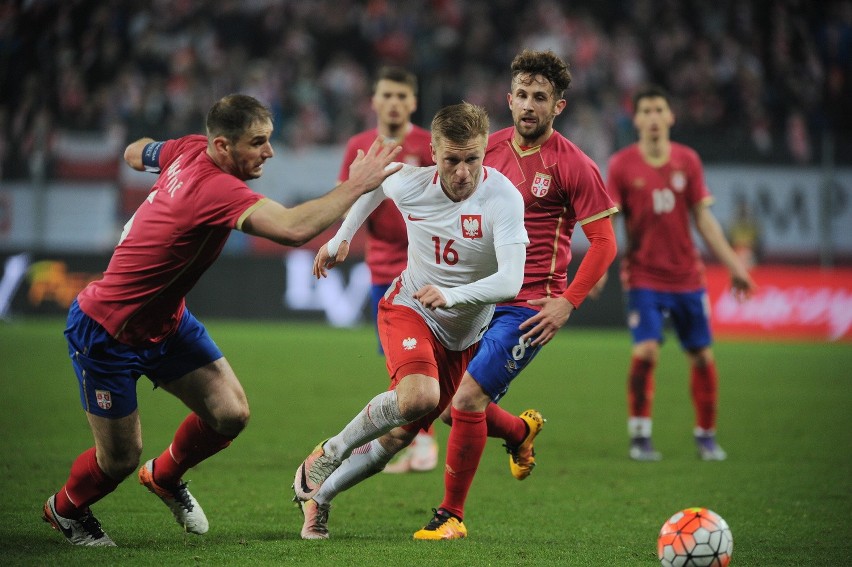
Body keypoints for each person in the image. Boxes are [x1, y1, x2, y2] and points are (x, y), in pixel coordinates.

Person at [41, 93, 403, 547]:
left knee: (230, 414)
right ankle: (66, 508)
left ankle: (166, 475)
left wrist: (144, 153)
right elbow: (292, 229)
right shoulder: (215, 187)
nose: (269, 152)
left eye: (269, 140)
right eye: (258, 142)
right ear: (222, 146)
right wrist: (357, 185)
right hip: (108, 330)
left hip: (167, 322)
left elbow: (138, 150)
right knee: (118, 459)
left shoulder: (188, 148)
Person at [292, 102, 529, 540]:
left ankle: (319, 498)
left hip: (464, 334)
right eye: (451, 159)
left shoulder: (504, 199)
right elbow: (375, 187)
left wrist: (452, 295)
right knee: (420, 396)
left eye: (472, 159)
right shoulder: (413, 183)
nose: (462, 172)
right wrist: (342, 237)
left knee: (400, 437)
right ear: (434, 152)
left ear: (484, 154)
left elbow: (511, 281)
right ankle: (330, 451)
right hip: (410, 308)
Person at [412, 48, 619, 540]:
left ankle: (451, 517)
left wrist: (567, 301)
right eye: (522, 95)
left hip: (527, 306)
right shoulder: (487, 150)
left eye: (540, 97)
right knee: (440, 406)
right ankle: (519, 432)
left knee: (465, 400)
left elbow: (605, 244)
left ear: (558, 106)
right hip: (476, 298)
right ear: (508, 99)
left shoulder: (575, 165)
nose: (529, 105)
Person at [602, 84, 756, 462]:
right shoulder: (621, 165)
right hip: (643, 277)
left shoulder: (688, 160)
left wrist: (735, 266)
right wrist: (600, 268)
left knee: (702, 356)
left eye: (659, 110)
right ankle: (640, 435)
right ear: (635, 119)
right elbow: (608, 224)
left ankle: (706, 435)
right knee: (647, 350)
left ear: (670, 116)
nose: (653, 117)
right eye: (646, 111)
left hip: (688, 277)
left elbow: (703, 219)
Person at [337, 66, 438, 474]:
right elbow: (347, 199)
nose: (394, 103)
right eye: (387, 95)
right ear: (374, 101)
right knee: (397, 362)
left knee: (422, 361)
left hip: (424, 269)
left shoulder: (430, 145)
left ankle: (422, 443)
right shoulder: (359, 146)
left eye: (402, 96)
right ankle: (415, 440)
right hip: (381, 270)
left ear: (413, 102)